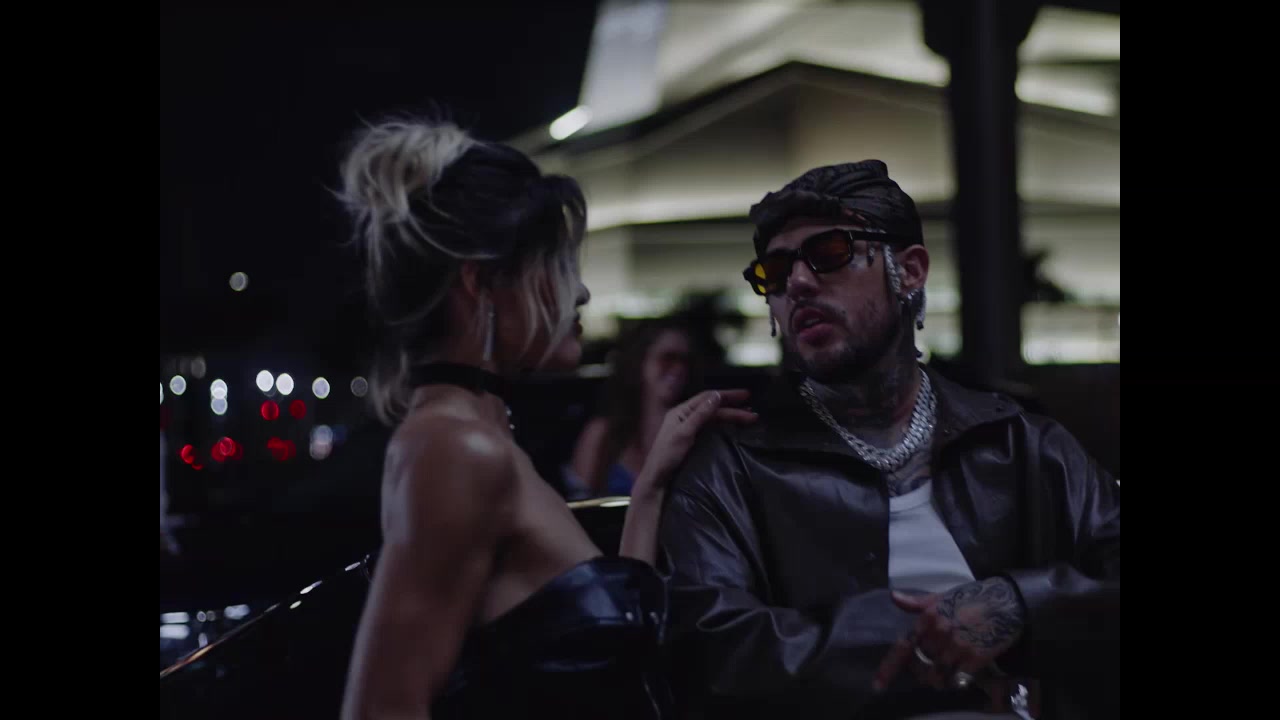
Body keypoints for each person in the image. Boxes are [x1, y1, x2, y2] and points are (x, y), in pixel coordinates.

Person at [656, 161, 1120, 720]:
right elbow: (710, 650)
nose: (797, 283)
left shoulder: (1019, 443)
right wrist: (922, 637)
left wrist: (1019, 602)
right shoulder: (734, 465)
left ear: (911, 270)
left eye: (830, 252)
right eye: (775, 271)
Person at [334, 117, 756, 720]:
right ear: (480, 283)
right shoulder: (454, 447)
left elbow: (604, 652)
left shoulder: (479, 436)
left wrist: (652, 486)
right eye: (557, 264)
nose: (580, 293)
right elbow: (381, 708)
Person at [567, 318, 703, 498]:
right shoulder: (603, 434)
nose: (679, 368)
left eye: (686, 361)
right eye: (668, 358)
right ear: (641, 362)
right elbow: (580, 502)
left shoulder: (696, 435)